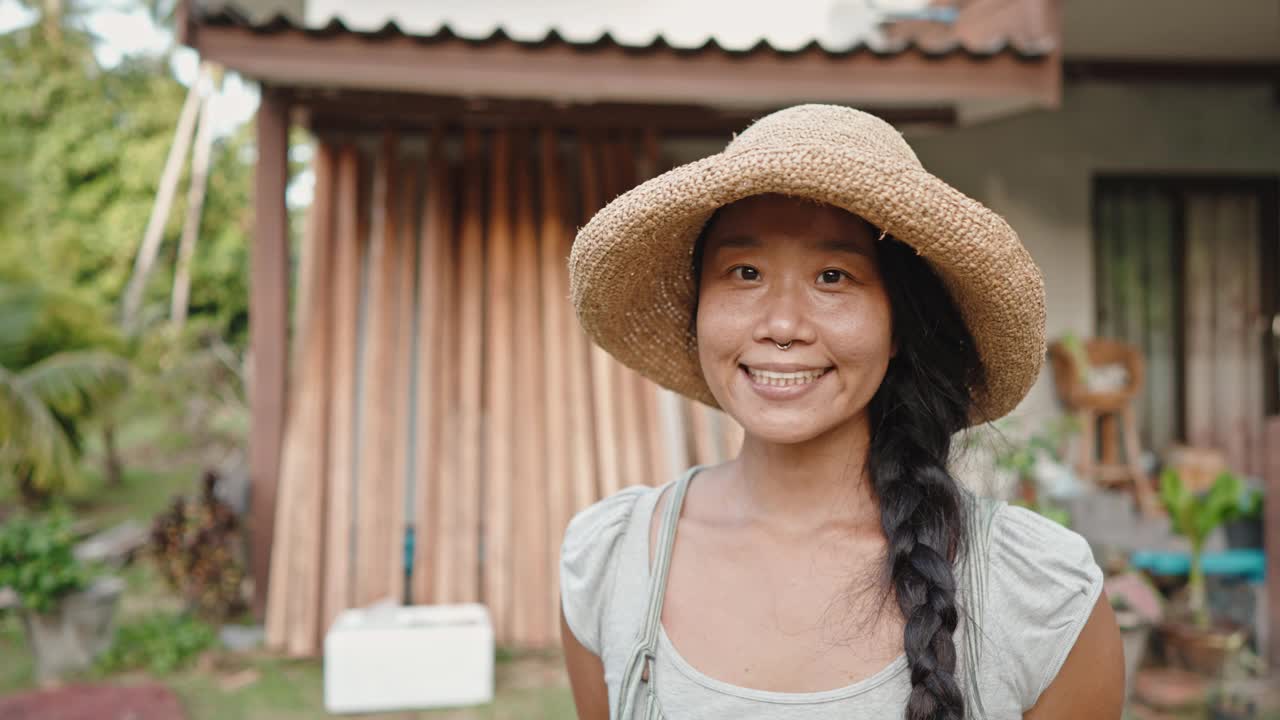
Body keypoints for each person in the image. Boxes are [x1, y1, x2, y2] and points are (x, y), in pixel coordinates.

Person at [559, 105, 1124, 720]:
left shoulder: (1038, 594)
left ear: (898, 326)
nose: (781, 325)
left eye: (833, 276)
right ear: (699, 309)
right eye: (744, 272)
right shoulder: (611, 563)